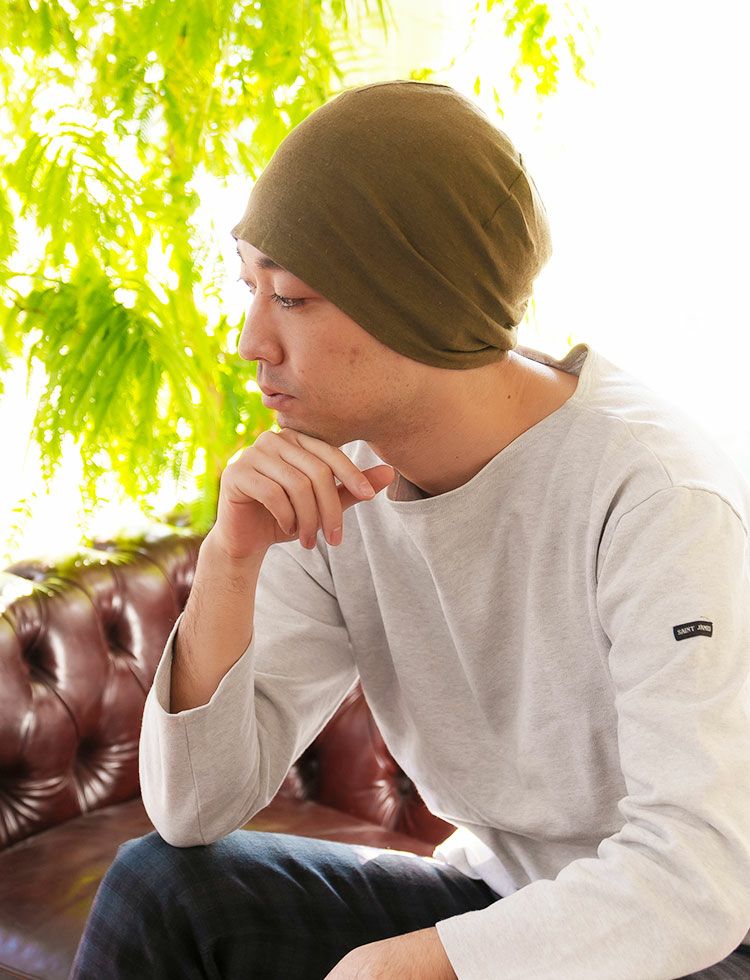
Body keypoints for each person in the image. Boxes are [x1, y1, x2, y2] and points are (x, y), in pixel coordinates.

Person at [70, 80, 750, 979]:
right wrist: (229, 561)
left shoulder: (656, 497)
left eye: (292, 297)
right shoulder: (334, 477)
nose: (250, 341)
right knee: (165, 890)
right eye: (250, 287)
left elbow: (695, 880)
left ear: (415, 303)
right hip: (500, 895)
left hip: (701, 942)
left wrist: (411, 965)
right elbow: (191, 812)